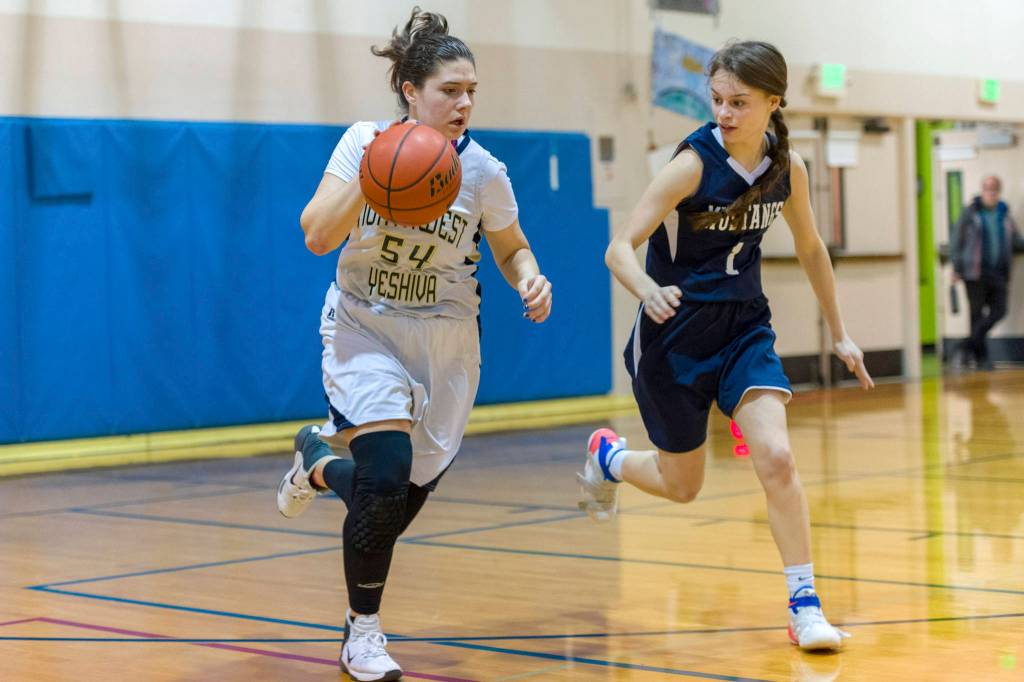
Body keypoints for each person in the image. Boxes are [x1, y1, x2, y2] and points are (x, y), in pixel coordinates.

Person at [276, 8, 552, 680]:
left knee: (392, 501)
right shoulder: (364, 141)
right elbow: (316, 235)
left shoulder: (484, 171)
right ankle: (362, 634)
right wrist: (373, 176)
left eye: (471, 93)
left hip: (447, 339)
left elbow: (512, 247)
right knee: (385, 464)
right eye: (449, 90)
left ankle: (317, 462)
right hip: (364, 323)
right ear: (410, 91)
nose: (463, 104)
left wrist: (529, 277)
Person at [577, 41, 873, 652]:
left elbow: (812, 249)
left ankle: (804, 605)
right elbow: (618, 248)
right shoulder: (691, 165)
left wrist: (840, 330)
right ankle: (608, 460)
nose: (725, 114)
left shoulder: (787, 169)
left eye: (739, 102)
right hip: (675, 335)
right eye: (717, 101)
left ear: (773, 102)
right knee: (684, 486)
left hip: (744, 327)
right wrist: (648, 289)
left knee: (778, 458)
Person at [950, 175, 1024, 370]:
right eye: (987, 189)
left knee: (1000, 310)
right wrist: (956, 268)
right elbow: (957, 241)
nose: (991, 193)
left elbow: (1015, 240)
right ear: (981, 191)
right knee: (976, 314)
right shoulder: (971, 213)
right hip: (974, 273)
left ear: (999, 192)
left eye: (994, 190)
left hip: (998, 272)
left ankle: (964, 345)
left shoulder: (1004, 214)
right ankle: (981, 359)